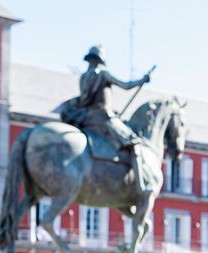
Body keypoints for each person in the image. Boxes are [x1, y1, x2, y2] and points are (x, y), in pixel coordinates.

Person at [61, 45, 153, 191]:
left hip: (86, 119)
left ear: (89, 60)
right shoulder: (103, 74)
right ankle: (141, 184)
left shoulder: (84, 77)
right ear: (100, 60)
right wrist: (142, 80)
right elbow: (126, 85)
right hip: (104, 118)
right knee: (134, 143)